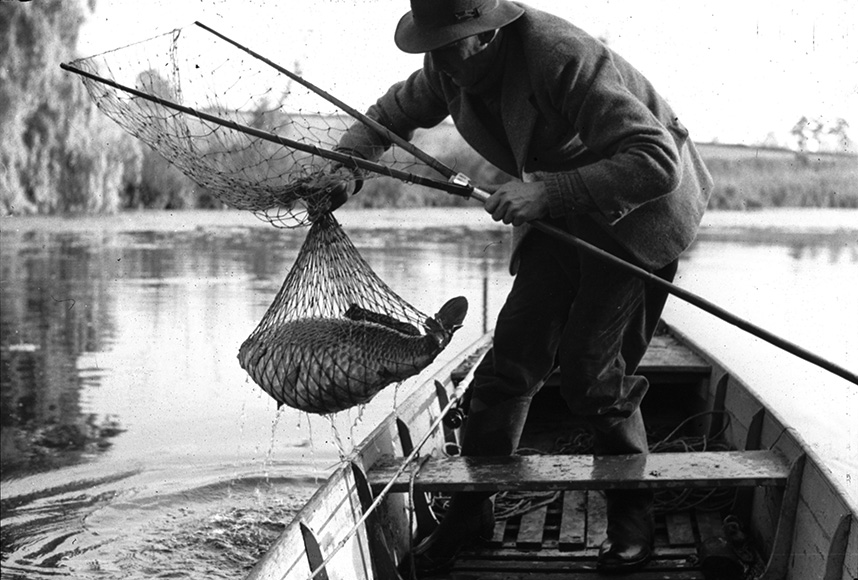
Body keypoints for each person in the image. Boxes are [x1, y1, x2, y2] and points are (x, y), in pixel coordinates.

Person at [331, 0, 713, 575]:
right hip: (563, 211)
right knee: (510, 361)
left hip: (637, 210)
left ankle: (634, 526)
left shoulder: (559, 55)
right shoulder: (447, 65)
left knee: (590, 370)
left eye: (447, 44)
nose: (437, 61)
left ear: (486, 36)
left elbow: (657, 160)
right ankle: (470, 514)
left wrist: (547, 194)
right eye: (429, 46)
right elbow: (390, 115)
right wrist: (345, 165)